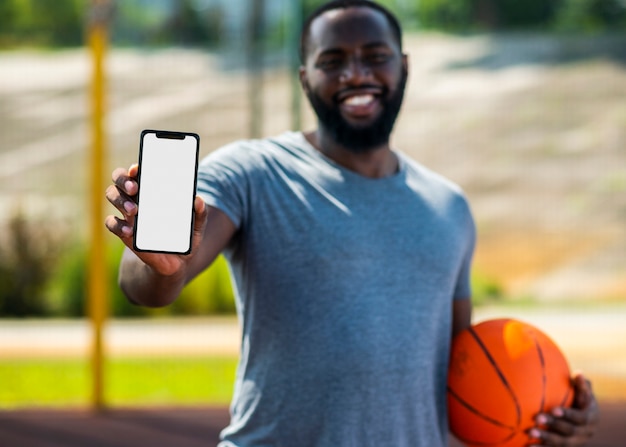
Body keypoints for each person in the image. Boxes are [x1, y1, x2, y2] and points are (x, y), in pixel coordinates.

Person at [105, 1, 599, 445]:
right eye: (333, 61)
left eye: (375, 55)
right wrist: (161, 267)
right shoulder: (251, 171)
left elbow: (458, 378)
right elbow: (145, 284)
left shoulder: (448, 206)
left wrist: (542, 415)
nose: (355, 74)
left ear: (402, 67)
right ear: (304, 79)